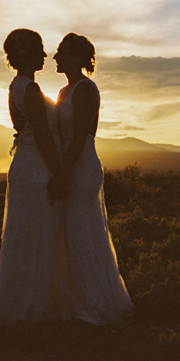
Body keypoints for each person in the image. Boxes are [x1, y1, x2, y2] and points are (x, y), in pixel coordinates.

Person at [0, 29, 72, 324]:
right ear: (25, 54)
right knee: (37, 232)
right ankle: (34, 308)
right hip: (37, 168)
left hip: (26, 165)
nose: (44, 55)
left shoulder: (17, 86)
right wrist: (60, 173)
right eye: (38, 49)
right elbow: (43, 136)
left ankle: (21, 302)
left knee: (26, 235)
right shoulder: (30, 90)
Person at [52, 32, 133, 325]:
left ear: (75, 57)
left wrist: (63, 172)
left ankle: (94, 302)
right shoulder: (64, 92)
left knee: (84, 228)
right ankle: (76, 297)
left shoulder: (86, 89)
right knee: (71, 230)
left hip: (81, 165)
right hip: (68, 163)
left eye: (61, 52)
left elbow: (81, 136)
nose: (55, 57)